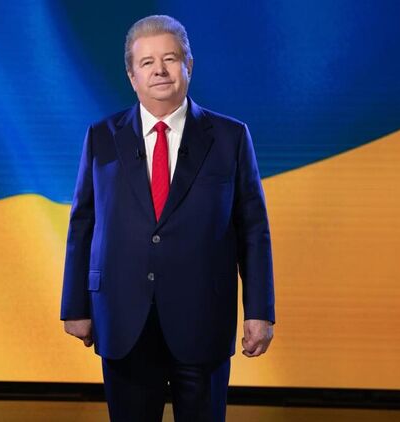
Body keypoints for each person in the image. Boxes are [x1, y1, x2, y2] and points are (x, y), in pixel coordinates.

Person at [60, 14, 275, 422]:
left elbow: (253, 230)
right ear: (132, 76)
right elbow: (82, 224)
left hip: (204, 319)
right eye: (147, 62)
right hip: (123, 320)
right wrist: (75, 304)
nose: (159, 70)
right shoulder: (102, 137)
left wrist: (259, 311)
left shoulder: (230, 137)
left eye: (170, 59)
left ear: (189, 65)